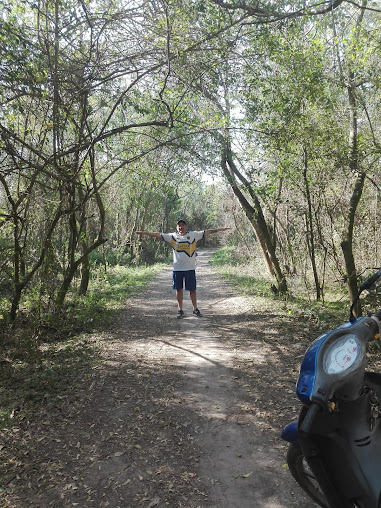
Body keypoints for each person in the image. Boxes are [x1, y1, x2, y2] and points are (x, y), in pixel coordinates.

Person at [135, 220, 230, 318]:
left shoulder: (193, 235)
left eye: (183, 225)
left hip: (190, 268)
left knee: (192, 290)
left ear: (186, 227)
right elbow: (157, 235)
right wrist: (144, 233)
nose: (181, 227)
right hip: (177, 269)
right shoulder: (172, 237)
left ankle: (195, 309)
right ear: (177, 228)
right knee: (178, 289)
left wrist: (221, 229)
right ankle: (180, 310)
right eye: (179, 225)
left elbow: (207, 231)